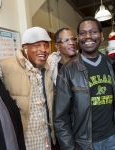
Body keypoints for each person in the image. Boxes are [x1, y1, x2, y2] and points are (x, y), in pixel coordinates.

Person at [54, 16, 115, 150]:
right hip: (85, 144)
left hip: (112, 139)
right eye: (83, 33)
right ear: (78, 38)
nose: (88, 36)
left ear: (101, 35)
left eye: (93, 32)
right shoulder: (67, 71)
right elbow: (60, 118)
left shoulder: (111, 65)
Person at [0, 26, 55, 150]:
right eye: (37, 45)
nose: (43, 50)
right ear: (25, 48)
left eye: (45, 45)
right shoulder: (4, 66)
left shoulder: (47, 69)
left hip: (45, 141)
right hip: (23, 142)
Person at [47, 28, 77, 150]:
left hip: (82, 119)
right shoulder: (51, 66)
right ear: (57, 46)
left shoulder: (83, 62)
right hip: (62, 120)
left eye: (73, 39)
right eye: (66, 40)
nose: (71, 42)